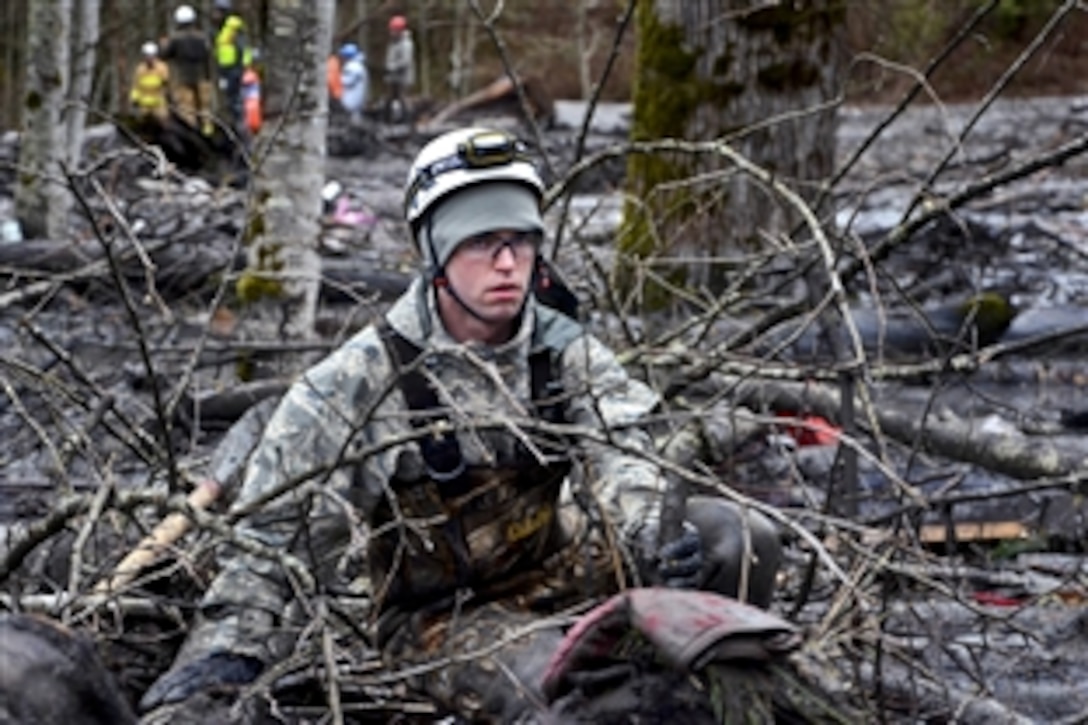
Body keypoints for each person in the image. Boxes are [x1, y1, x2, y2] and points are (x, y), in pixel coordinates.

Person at [138, 127, 782, 722]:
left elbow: (626, 456)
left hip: (557, 569)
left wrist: (653, 534)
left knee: (738, 535)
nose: (508, 263)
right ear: (434, 251)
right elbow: (273, 540)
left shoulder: (564, 351)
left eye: (522, 241)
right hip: (440, 619)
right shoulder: (357, 379)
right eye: (482, 242)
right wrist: (222, 655)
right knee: (561, 690)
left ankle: (702, 693)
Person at [160, 4, 214, 135]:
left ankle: (191, 133)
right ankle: (208, 132)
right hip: (202, 76)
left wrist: (163, 45)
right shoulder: (201, 38)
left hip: (183, 78)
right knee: (205, 108)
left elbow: (165, 55)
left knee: (187, 108)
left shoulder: (175, 39)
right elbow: (208, 56)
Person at [211, 0, 251, 130]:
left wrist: (244, 65)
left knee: (234, 98)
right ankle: (232, 123)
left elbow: (243, 46)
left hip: (234, 67)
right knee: (229, 97)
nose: (215, 15)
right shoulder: (221, 28)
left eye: (218, 11)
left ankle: (239, 124)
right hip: (225, 68)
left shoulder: (233, 26)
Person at [129, 42, 170, 127]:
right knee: (143, 125)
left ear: (155, 56)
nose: (149, 58)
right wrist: (134, 99)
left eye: (151, 55)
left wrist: (168, 96)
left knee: (163, 123)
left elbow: (166, 84)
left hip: (158, 103)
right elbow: (136, 86)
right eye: (147, 55)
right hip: (144, 104)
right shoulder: (140, 69)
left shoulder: (162, 67)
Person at [383, 14, 415, 122]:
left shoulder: (406, 43)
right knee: (391, 99)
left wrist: (392, 67)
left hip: (403, 77)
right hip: (393, 77)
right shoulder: (394, 42)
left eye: (394, 30)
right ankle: (390, 120)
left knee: (404, 99)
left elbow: (405, 61)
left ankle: (409, 121)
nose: (391, 32)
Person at [338, 43, 368, 126]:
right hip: (357, 99)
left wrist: (337, 77)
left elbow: (346, 81)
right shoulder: (359, 65)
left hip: (352, 99)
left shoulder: (352, 66)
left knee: (352, 122)